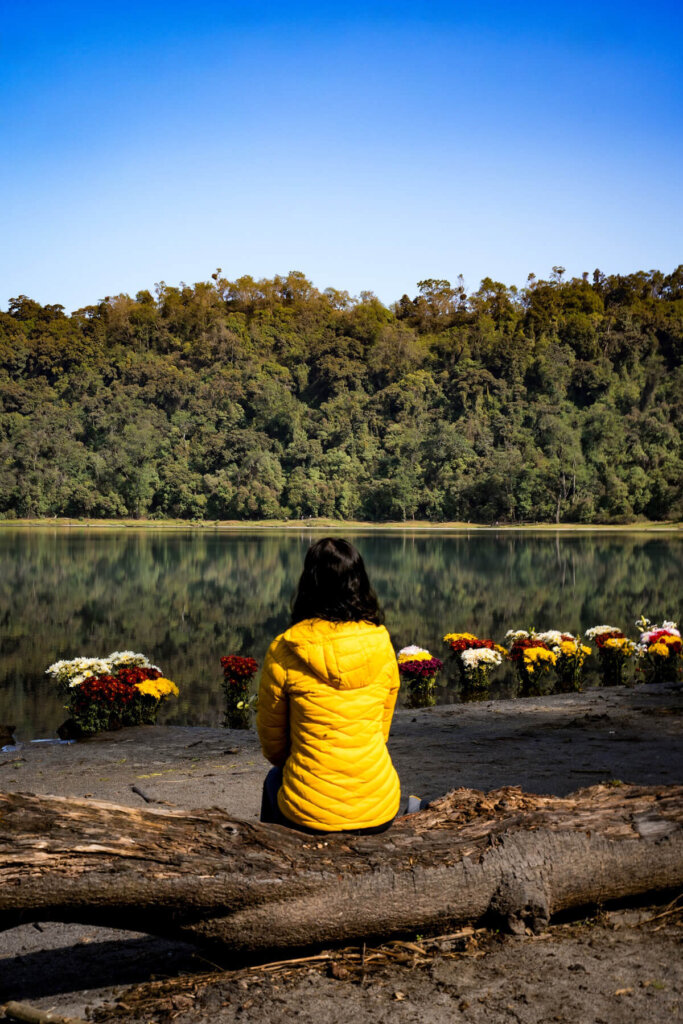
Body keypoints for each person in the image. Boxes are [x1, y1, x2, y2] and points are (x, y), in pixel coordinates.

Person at [256, 537, 401, 835]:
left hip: (307, 814)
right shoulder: (381, 644)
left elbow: (274, 747)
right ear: (359, 583)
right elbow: (380, 732)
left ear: (309, 583)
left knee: (274, 779)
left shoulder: (285, 649)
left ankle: (274, 865)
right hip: (378, 809)